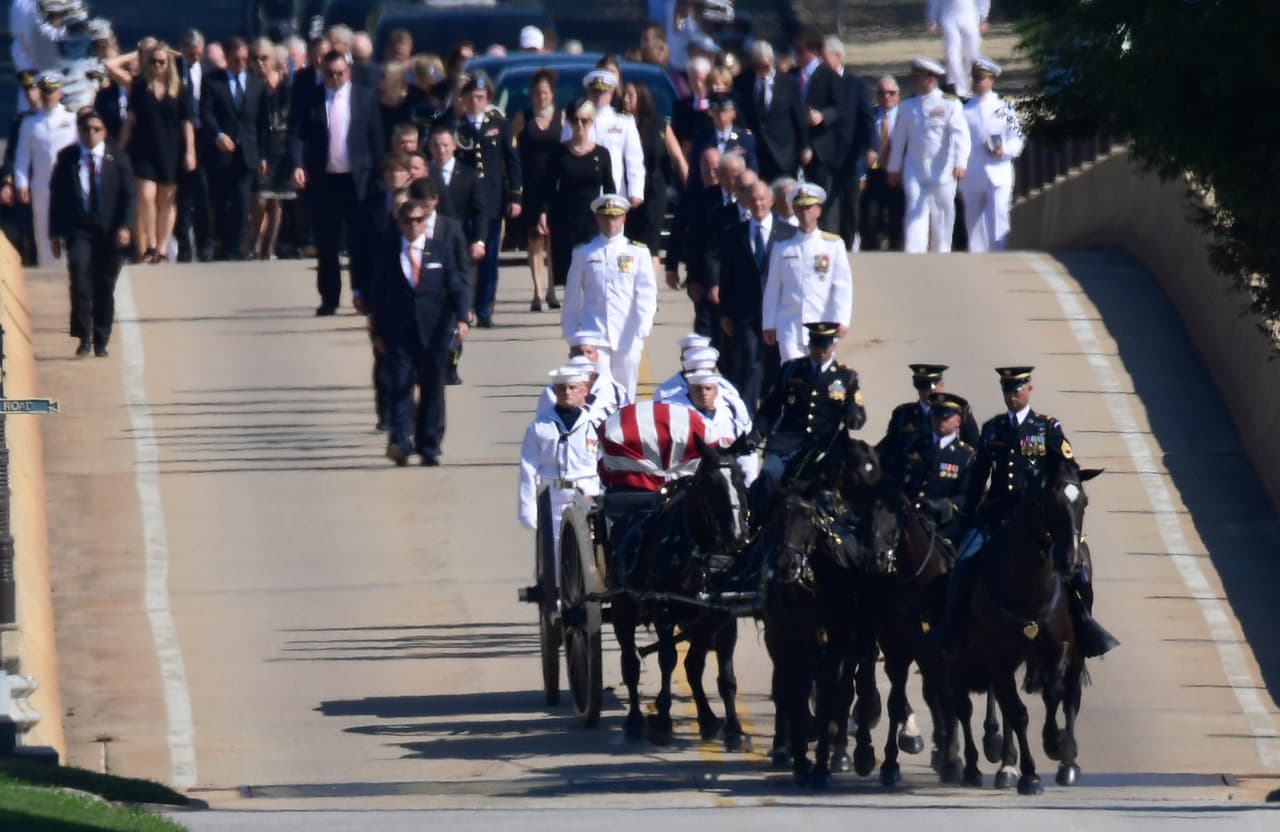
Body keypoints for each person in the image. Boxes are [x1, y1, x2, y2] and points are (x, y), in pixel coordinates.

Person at [947, 367, 1119, 658]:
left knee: (1078, 568)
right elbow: (978, 477)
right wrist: (967, 517)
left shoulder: (1046, 428)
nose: (1012, 396)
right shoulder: (993, 428)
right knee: (962, 562)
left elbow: (1067, 468)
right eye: (1007, 391)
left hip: (1039, 517)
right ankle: (952, 628)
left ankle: (1085, 624)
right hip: (997, 513)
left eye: (1017, 390)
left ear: (1029, 390)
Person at [367, 195, 470, 466]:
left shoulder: (439, 250)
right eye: (408, 221)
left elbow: (456, 286)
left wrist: (462, 319)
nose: (413, 226)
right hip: (398, 333)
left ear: (425, 222)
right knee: (399, 387)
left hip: (434, 331)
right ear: (399, 223)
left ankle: (429, 444)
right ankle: (401, 442)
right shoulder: (388, 252)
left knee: (432, 390)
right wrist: (375, 333)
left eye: (418, 220)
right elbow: (377, 295)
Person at [289, 50, 384, 315]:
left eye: (340, 73)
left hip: (358, 180)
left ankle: (362, 294)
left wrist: (380, 174)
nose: (335, 78)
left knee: (359, 242)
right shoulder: (312, 98)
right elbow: (297, 133)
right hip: (324, 180)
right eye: (330, 74)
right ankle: (329, 298)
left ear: (349, 71)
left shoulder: (364, 98)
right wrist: (297, 164)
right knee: (327, 242)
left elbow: (377, 140)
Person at [48, 107, 134, 357]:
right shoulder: (67, 158)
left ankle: (101, 338)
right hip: (79, 229)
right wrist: (55, 234)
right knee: (80, 279)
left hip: (109, 231)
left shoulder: (116, 158)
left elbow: (129, 196)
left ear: (104, 132)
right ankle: (83, 336)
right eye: (85, 129)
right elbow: (58, 198)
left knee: (104, 285)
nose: (90, 134)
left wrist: (125, 226)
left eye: (96, 129)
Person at [753, 321, 866, 504]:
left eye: (826, 346)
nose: (821, 352)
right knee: (769, 475)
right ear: (810, 344)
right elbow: (771, 408)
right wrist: (756, 435)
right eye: (816, 346)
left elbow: (859, 418)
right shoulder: (791, 370)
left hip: (823, 447)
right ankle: (755, 524)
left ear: (834, 345)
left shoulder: (846, 377)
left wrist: (852, 414)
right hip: (785, 443)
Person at [560, 194, 658, 401]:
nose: (610, 222)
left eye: (615, 217)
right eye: (605, 217)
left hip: (627, 334)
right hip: (594, 336)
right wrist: (571, 333)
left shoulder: (637, 252)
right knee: (598, 394)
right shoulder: (584, 252)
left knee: (626, 395)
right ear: (597, 218)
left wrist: (642, 327)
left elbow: (646, 293)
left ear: (624, 219)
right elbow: (572, 296)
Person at [718, 179, 797, 416]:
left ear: (772, 201)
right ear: (746, 202)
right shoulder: (734, 234)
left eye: (762, 198)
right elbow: (726, 277)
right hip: (747, 314)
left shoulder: (788, 235)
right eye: (753, 199)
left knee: (776, 367)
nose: (758, 203)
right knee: (751, 364)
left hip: (779, 314)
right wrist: (725, 313)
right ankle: (748, 419)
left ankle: (775, 416)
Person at [518, 363, 604, 572]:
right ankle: (559, 601)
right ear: (554, 391)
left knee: (593, 556)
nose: (567, 392)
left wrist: (605, 497)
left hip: (588, 497)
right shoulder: (540, 427)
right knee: (557, 557)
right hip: (555, 500)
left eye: (572, 388)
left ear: (584, 390)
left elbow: (605, 464)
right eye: (562, 388)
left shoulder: (596, 424)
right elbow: (528, 470)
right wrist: (527, 509)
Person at [451, 71, 521, 327]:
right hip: (463, 201)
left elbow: (513, 162)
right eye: (471, 97)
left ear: (488, 98)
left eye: (481, 97)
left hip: (491, 201)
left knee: (489, 258)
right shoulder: (456, 125)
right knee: (462, 256)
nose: (476, 102)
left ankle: (484, 307)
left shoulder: (499, 125)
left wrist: (515, 196)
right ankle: (463, 306)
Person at [118, 41, 196, 263]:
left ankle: (162, 247)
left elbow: (187, 124)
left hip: (171, 150)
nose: (157, 66)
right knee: (146, 196)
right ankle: (151, 243)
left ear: (168, 63)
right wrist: (121, 149)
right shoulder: (139, 87)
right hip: (144, 150)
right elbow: (129, 121)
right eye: (152, 61)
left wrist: (190, 152)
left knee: (167, 200)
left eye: (161, 62)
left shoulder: (179, 89)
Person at [761, 183, 853, 363]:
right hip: (790, 326)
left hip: (823, 326)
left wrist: (841, 320)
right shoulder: (782, 247)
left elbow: (842, 287)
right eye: (800, 208)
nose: (805, 212)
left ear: (818, 210)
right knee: (792, 375)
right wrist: (769, 324)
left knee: (820, 375)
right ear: (794, 210)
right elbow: (773, 288)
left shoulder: (833, 245)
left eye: (809, 207)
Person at [886, 58, 969, 254]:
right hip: (915, 168)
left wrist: (960, 162)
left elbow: (961, 135)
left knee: (942, 214)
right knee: (915, 210)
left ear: (930, 79)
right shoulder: (907, 106)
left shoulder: (950, 104)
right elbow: (898, 140)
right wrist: (893, 167)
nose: (914, 81)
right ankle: (915, 253)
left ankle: (941, 253)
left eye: (918, 78)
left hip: (943, 169)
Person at [541, 98, 617, 305]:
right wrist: (543, 213)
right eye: (576, 121)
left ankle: (590, 312)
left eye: (585, 120)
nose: (580, 126)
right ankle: (574, 315)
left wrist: (613, 218)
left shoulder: (602, 154)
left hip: (593, 221)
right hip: (565, 220)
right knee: (571, 274)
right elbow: (548, 187)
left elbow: (610, 189)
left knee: (593, 270)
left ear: (592, 122)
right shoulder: (560, 153)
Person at [200, 37, 269, 261]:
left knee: (242, 198)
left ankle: (237, 246)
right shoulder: (212, 82)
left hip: (247, 152)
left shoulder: (256, 84)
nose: (241, 63)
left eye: (244, 59)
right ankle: (222, 239)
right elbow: (206, 113)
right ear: (227, 58)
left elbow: (262, 122)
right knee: (220, 200)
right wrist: (218, 134)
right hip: (222, 152)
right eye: (235, 59)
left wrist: (263, 155)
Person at [881, 391, 976, 545]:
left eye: (945, 417)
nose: (939, 421)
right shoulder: (915, 445)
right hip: (906, 520)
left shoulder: (965, 456)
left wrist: (944, 505)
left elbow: (970, 495)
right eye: (935, 415)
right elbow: (895, 475)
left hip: (942, 528)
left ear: (958, 420)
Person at [621, 80, 686, 280]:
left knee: (650, 246)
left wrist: (690, 186)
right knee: (626, 244)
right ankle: (628, 287)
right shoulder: (620, 124)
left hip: (654, 193)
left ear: (642, 98)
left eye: (630, 95)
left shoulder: (660, 126)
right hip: (627, 192)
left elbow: (678, 157)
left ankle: (648, 291)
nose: (625, 99)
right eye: (623, 95)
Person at [13, 73, 78, 267]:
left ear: (60, 93)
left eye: (52, 91)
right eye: (44, 91)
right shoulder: (30, 123)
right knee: (43, 231)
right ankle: (47, 270)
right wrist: (21, 183)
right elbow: (22, 157)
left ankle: (70, 270)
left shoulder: (72, 118)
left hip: (67, 187)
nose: (48, 95)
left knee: (68, 230)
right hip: (42, 186)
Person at [960, 58, 1024, 253]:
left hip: (999, 172)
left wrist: (1004, 150)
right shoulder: (964, 110)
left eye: (983, 79)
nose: (979, 82)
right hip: (973, 173)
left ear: (991, 81)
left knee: (999, 216)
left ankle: (998, 254)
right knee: (973, 220)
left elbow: (1018, 139)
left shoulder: (1004, 109)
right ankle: (977, 258)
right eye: (976, 78)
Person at [559, 69, 645, 214]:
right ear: (588, 92)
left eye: (603, 92)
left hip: (613, 192)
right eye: (595, 92)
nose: (599, 96)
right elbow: (563, 156)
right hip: (579, 192)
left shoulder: (623, 120)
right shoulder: (575, 119)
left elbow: (634, 159)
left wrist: (636, 191)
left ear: (611, 93)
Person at [511, 68, 562, 310]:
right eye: (537, 93)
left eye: (545, 93)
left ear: (552, 94)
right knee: (535, 238)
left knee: (553, 237)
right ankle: (538, 291)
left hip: (555, 185)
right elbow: (510, 150)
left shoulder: (562, 118)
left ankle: (553, 289)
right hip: (531, 185)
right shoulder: (524, 117)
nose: (541, 97)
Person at [823, 35, 874, 250]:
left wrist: (871, 147)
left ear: (837, 56)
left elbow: (866, 118)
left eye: (824, 56)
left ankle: (848, 244)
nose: (821, 61)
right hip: (824, 155)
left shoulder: (856, 84)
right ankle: (829, 245)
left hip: (849, 155)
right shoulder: (819, 83)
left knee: (850, 205)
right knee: (826, 204)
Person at [246, 41, 295, 260]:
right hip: (262, 146)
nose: (260, 63)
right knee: (260, 199)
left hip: (283, 146)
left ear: (274, 61)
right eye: (256, 58)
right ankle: (254, 239)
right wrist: (259, 154)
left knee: (277, 201)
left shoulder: (287, 85)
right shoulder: (254, 86)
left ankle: (269, 247)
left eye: (264, 58)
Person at [670, 366, 758, 485]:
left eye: (708, 388)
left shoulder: (730, 413)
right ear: (689, 390)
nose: (703, 393)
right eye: (698, 389)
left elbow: (746, 456)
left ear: (716, 390)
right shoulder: (678, 414)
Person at [735, 40, 807, 184]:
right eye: (757, 66)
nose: (761, 71)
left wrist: (805, 146)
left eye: (765, 66)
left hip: (784, 151)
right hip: (756, 151)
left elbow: (798, 116)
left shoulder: (788, 83)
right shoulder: (742, 82)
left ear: (772, 61)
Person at [878, 363, 979, 463]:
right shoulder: (903, 414)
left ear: (941, 385)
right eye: (922, 387)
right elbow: (890, 447)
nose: (927, 392)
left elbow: (973, 447)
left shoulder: (957, 412)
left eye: (931, 387)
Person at [793, 28, 844, 201]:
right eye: (795, 50)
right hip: (795, 147)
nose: (796, 54)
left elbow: (840, 106)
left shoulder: (828, 76)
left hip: (820, 149)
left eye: (800, 50)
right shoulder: (791, 76)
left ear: (813, 51)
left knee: (820, 197)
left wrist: (823, 116)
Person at [860, 75, 905, 252]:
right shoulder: (869, 116)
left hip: (899, 174)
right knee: (871, 218)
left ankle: (897, 252)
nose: (886, 97)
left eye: (891, 93)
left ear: (898, 95)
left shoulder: (905, 115)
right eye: (882, 93)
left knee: (897, 218)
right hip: (875, 173)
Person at [535, 334, 627, 419]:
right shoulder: (553, 391)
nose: (584, 356)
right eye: (578, 352)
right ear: (570, 356)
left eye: (589, 352)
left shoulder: (616, 390)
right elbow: (543, 424)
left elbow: (627, 421)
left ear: (597, 356)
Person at [927, 0, 989, 99]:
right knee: (952, 54)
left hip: (970, 15)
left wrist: (983, 18)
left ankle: (972, 86)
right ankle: (957, 88)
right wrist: (932, 19)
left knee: (973, 54)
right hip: (949, 15)